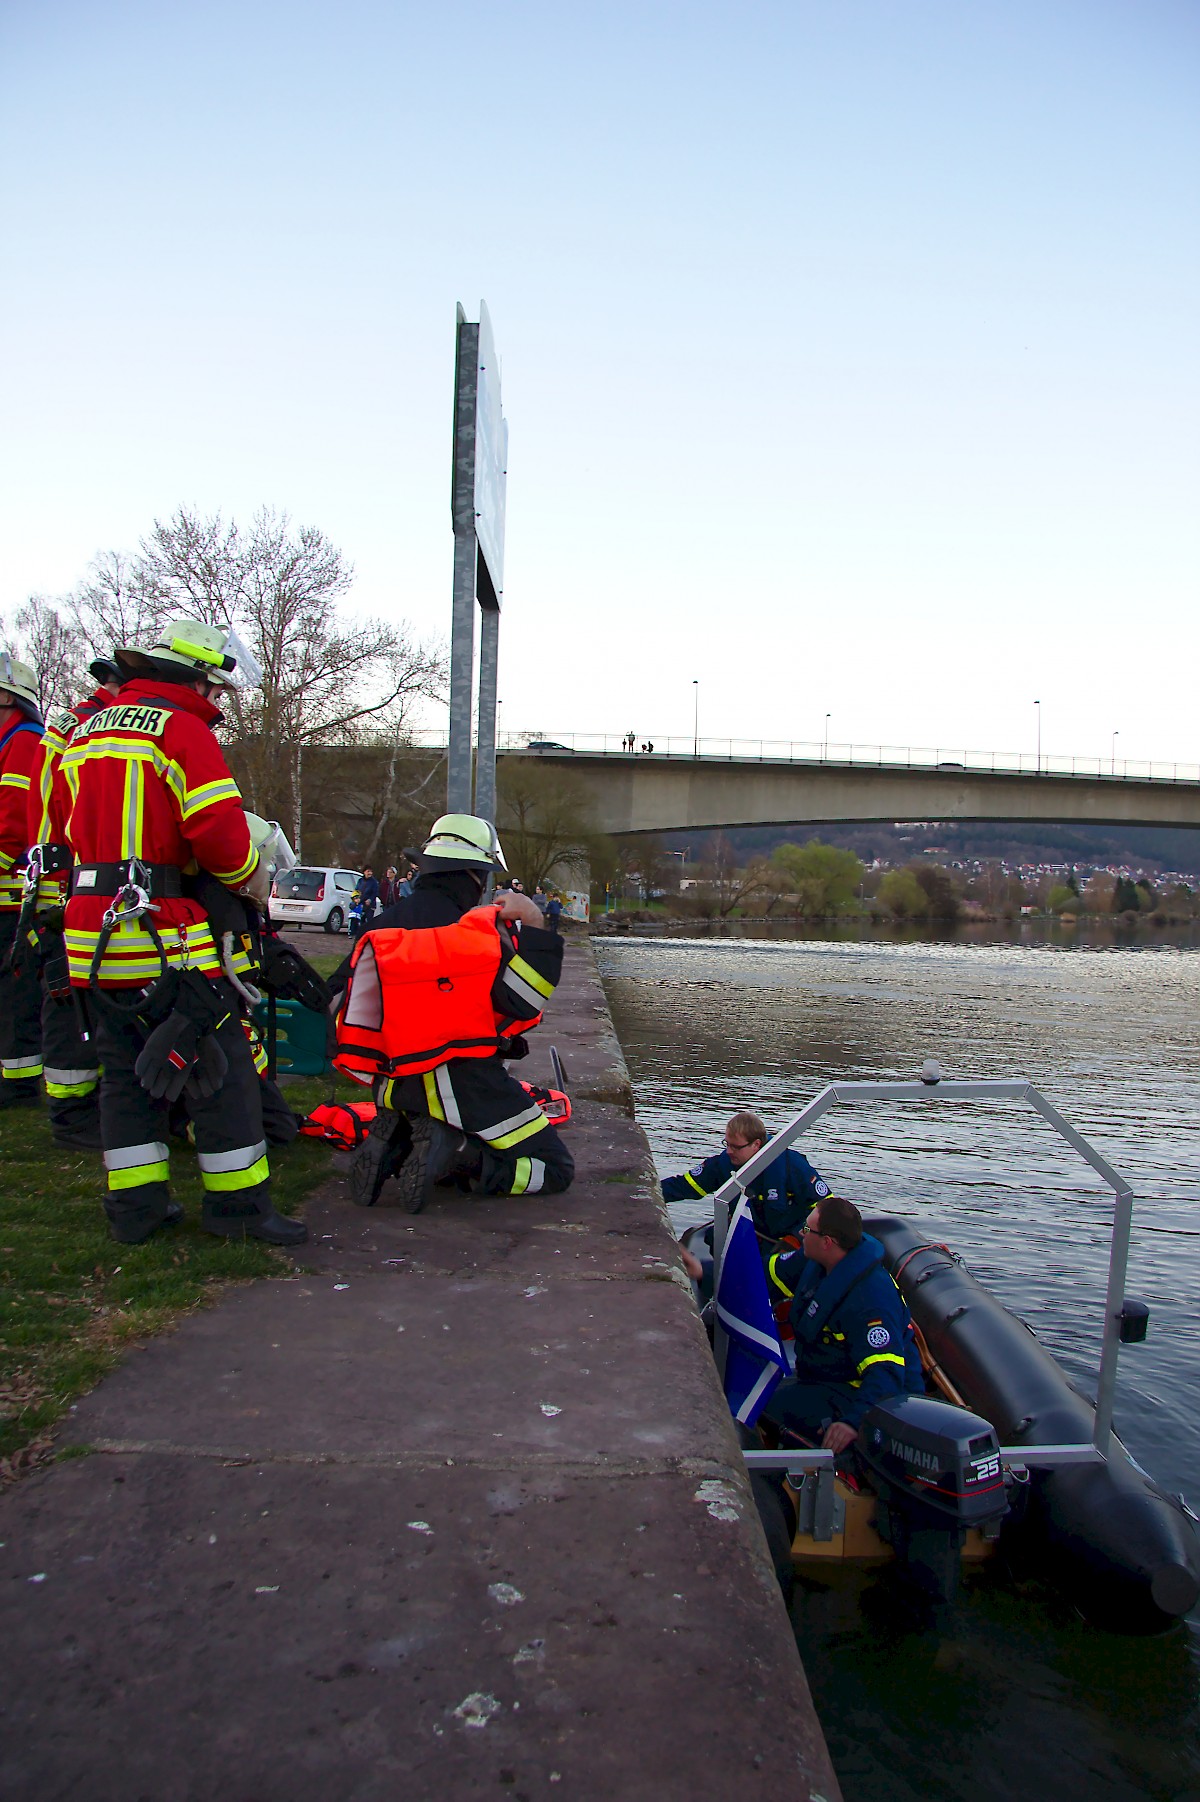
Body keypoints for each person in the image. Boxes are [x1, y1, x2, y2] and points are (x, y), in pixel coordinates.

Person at [60, 617, 306, 1248]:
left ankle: (137, 1212)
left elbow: (62, 831)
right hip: (164, 933)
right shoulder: (182, 730)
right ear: (194, 676)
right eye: (216, 688)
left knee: (125, 1078)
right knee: (219, 1074)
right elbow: (220, 837)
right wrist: (249, 877)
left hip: (91, 936)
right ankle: (240, 1212)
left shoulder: (83, 731)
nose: (219, 701)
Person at [339, 812, 574, 1211]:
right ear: (475, 876)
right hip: (461, 1082)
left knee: (432, 1125)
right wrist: (533, 922)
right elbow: (522, 1001)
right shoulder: (474, 935)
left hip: (392, 1079)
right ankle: (461, 1155)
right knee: (554, 1168)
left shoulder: (379, 928)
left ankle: (398, 1143)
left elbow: (347, 1005)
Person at [21, 656, 122, 1145]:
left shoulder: (70, 724)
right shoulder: (88, 727)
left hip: (66, 879)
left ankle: (79, 1106)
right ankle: (73, 1115)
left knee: (75, 996)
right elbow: (56, 810)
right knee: (68, 998)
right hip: (72, 881)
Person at [760, 1195, 923, 1452]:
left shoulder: (870, 1299)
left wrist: (853, 1422)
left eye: (807, 1229)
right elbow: (766, 1274)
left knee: (765, 1408)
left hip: (858, 1392)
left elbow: (886, 1375)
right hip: (821, 1374)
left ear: (827, 1241)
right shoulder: (815, 1260)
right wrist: (706, 1272)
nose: (802, 1235)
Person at [665, 1111, 831, 1255]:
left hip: (783, 1243)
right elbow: (684, 1186)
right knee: (713, 1237)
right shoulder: (724, 1164)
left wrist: (796, 1238)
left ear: (756, 1145)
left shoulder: (792, 1167)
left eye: (736, 1147)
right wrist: (647, 1192)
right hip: (748, 1235)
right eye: (727, 1144)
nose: (729, 1151)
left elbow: (826, 1210)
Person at [0, 654, 47, 1109]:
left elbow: (13, 824)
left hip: (12, 897)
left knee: (15, 993)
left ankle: (18, 1085)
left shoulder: (23, 740)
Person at [353, 866, 380, 938]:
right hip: (361, 903)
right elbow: (356, 890)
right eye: (368, 871)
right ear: (364, 872)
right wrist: (356, 898)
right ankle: (360, 935)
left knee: (369, 920)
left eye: (371, 871)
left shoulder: (374, 882)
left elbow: (375, 893)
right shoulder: (360, 881)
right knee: (360, 920)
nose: (370, 873)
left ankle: (369, 935)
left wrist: (370, 900)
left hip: (370, 905)